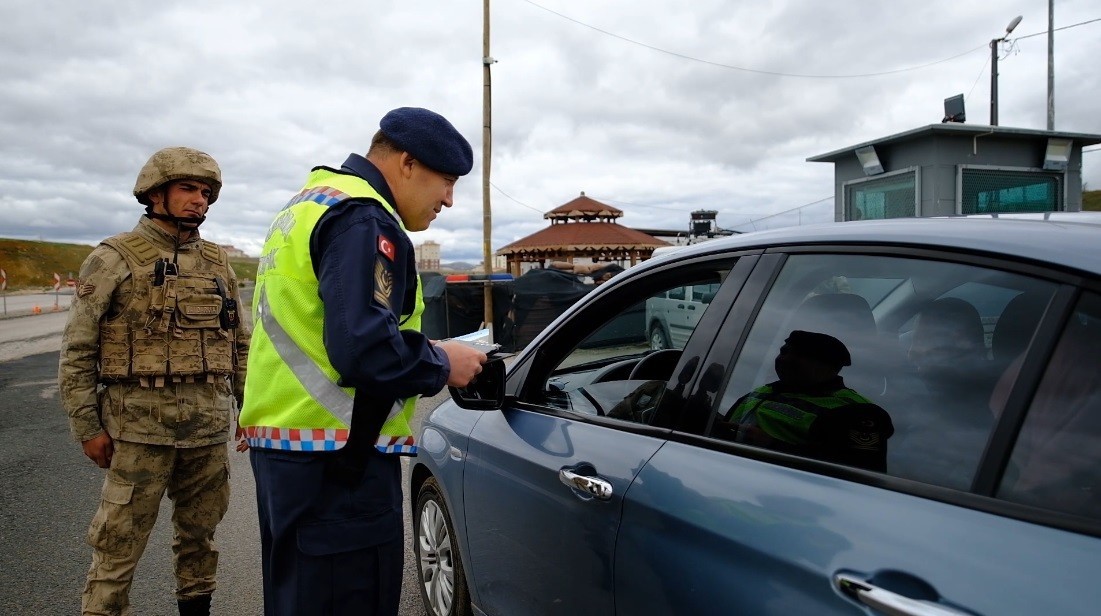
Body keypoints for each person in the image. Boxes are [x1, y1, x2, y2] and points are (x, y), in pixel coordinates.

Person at [239, 107, 488, 615]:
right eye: (446, 181)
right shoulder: (364, 217)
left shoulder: (310, 204)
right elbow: (364, 349)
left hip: (288, 454)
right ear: (407, 163)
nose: (449, 199)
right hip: (338, 467)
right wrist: (443, 363)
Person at [58, 147, 251, 616]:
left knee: (200, 541)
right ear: (155, 193)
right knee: (117, 548)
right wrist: (88, 427)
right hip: (138, 430)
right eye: (188, 189)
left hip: (206, 430)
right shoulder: (113, 257)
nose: (199, 201)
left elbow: (239, 344)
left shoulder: (216, 262)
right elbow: (78, 349)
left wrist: (250, 411)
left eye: (205, 193)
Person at [719, 330, 894, 472]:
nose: (783, 359)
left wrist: (771, 445)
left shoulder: (858, 411)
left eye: (796, 355)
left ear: (826, 366)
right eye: (783, 352)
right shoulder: (764, 391)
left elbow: (857, 473)